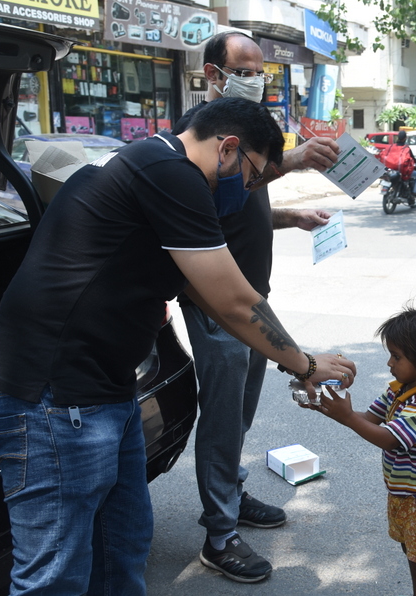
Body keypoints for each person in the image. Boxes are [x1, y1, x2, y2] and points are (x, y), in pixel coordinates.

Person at [0, 96, 356, 595]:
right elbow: (234, 301)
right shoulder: (169, 172)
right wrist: (305, 364)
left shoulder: (156, 166)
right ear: (229, 148)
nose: (248, 191)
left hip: (108, 390)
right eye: (253, 176)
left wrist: (290, 359)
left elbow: (207, 291)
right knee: (54, 574)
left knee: (123, 545)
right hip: (53, 396)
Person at [172, 30, 343, 583]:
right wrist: (292, 159)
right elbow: (202, 222)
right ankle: (220, 536)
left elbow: (239, 207)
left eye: (261, 70)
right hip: (220, 303)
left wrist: (292, 218)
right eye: (243, 68)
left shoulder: (244, 132)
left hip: (254, 295)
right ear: (213, 75)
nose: (255, 77)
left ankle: (231, 494)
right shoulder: (204, 138)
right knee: (222, 414)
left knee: (240, 412)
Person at [312, 307, 416, 596]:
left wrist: (345, 416)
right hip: (402, 494)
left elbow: (390, 439)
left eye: (396, 356)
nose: (389, 363)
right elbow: (370, 419)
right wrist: (329, 407)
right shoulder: (400, 388)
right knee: (413, 555)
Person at [378, 129, 416, 195]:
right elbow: (412, 158)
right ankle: (415, 192)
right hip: (402, 170)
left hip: (390, 170)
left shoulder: (391, 146)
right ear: (405, 138)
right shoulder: (406, 148)